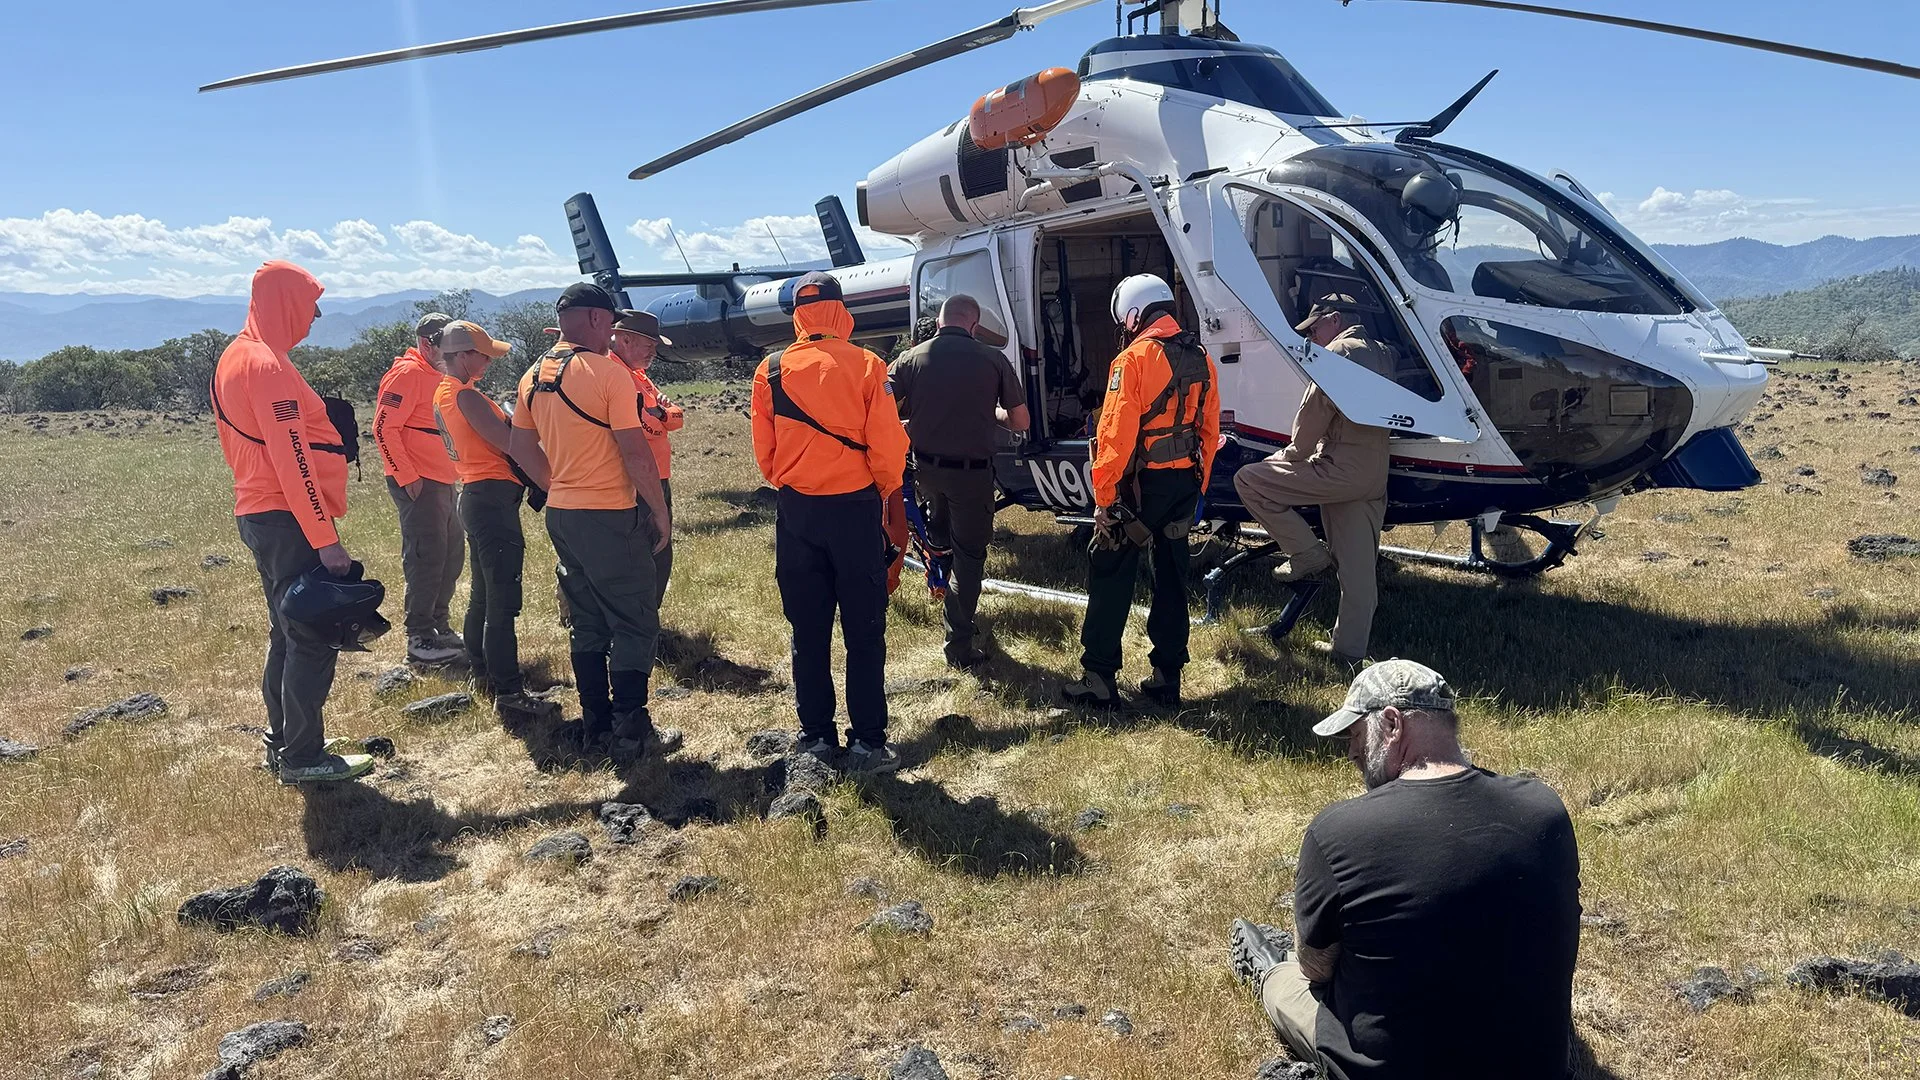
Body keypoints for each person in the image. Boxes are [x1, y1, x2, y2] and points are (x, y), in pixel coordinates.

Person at [1227, 659, 1582, 1080]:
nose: (1352, 752)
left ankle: (1268, 967)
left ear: (1392, 724)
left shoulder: (1339, 831)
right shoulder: (1545, 810)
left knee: (1289, 979)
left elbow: (1316, 969)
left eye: (1356, 735)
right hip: (1535, 1067)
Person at [211, 260, 374, 784]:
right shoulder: (267, 366)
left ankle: (285, 740)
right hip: (288, 517)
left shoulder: (236, 357)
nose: (318, 313)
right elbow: (293, 458)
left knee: (286, 631)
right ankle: (304, 756)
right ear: (285, 303)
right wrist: (325, 541)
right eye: (310, 303)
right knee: (309, 636)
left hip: (260, 511)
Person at [751, 271, 910, 773]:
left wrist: (796, 478)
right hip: (855, 509)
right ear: (842, 311)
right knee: (864, 629)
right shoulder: (867, 365)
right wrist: (887, 495)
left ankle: (816, 737)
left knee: (808, 629)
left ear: (797, 313)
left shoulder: (770, 370)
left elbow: (766, 455)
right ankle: (867, 743)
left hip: (797, 512)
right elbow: (887, 448)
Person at [509, 283, 675, 759]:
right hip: (608, 513)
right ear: (601, 320)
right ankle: (631, 727)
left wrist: (557, 483)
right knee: (634, 617)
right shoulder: (607, 373)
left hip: (563, 514)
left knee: (586, 620)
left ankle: (596, 723)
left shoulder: (533, 374)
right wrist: (659, 513)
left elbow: (519, 446)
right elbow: (635, 451)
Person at [1063, 274, 1219, 709]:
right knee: (1171, 575)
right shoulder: (1201, 357)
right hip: (1183, 485)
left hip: (1137, 488)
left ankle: (1098, 676)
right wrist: (1198, 489)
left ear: (1133, 314)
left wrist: (1106, 500)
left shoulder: (1132, 361)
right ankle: (1167, 675)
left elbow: (1114, 438)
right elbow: (1209, 430)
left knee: (1109, 569)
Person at [1233, 295, 1393, 665]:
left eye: (1315, 329)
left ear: (1335, 320)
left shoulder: (1336, 354)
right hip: (1373, 475)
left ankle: (1306, 553)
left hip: (1338, 469)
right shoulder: (1385, 353)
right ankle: (1348, 652)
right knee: (1358, 576)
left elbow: (1308, 428)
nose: (1312, 339)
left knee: (1249, 480)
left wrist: (1283, 458)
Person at [888, 293, 1030, 668]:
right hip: (972, 476)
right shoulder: (993, 359)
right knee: (970, 556)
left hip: (928, 473)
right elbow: (1020, 421)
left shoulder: (909, 359)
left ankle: (941, 573)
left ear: (939, 322)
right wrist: (993, 412)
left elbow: (880, 404)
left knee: (943, 535)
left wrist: (910, 423)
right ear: (974, 324)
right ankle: (959, 645)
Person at [432, 320, 554, 722]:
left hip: (477, 497)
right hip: (491, 501)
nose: (486, 361)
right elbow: (510, 445)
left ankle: (484, 673)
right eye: (483, 354)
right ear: (464, 354)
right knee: (502, 602)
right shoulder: (465, 396)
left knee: (484, 595)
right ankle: (510, 692)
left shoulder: (445, 393)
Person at [374, 311, 465, 665]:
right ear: (428, 344)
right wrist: (405, 475)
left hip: (444, 478)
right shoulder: (408, 374)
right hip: (420, 481)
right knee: (426, 557)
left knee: (450, 555)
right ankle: (420, 637)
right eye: (448, 347)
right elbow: (384, 429)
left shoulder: (439, 374)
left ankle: (438, 624)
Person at [608, 308, 684, 608]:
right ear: (624, 339)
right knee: (650, 551)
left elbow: (674, 417)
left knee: (656, 553)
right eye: (649, 345)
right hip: (637, 481)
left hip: (653, 476)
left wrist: (664, 414)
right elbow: (648, 426)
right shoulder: (616, 376)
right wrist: (661, 417)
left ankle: (643, 622)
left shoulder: (639, 377)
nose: (654, 352)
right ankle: (640, 625)